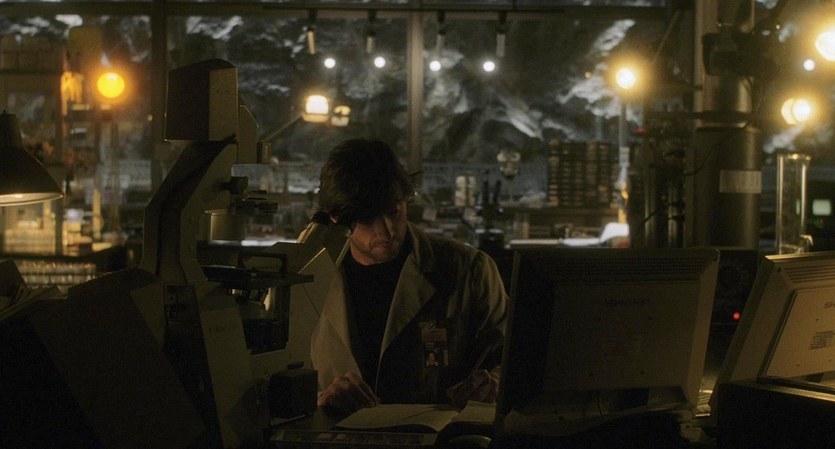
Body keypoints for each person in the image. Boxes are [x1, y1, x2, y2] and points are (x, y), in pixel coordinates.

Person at [310, 138, 508, 414]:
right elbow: (272, 379)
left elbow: (511, 358)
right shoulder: (307, 279)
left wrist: (490, 384)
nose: (386, 230)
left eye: (394, 211)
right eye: (367, 218)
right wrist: (320, 399)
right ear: (335, 217)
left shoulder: (468, 270)